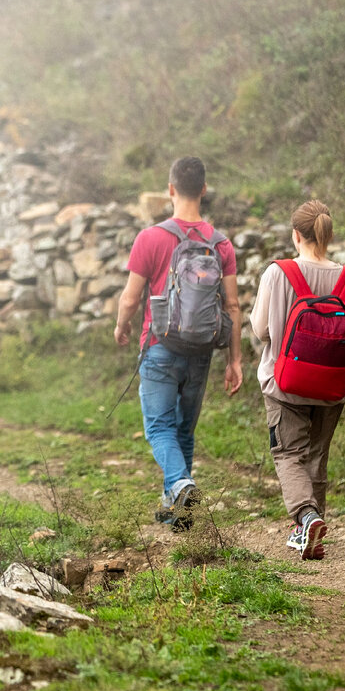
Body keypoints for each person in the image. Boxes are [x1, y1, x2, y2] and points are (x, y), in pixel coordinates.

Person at [114, 156, 243, 529]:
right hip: (201, 350)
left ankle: (182, 484)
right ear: (203, 190)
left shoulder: (151, 238)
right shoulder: (221, 245)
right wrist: (235, 360)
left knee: (159, 427)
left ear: (170, 189)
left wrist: (122, 327)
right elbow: (232, 306)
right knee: (183, 429)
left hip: (159, 346)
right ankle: (177, 512)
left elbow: (130, 298)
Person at [249, 200, 345, 560]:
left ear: (296, 235)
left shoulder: (278, 273)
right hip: (331, 386)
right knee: (317, 455)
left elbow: (260, 329)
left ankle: (306, 516)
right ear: (328, 235)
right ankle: (308, 533)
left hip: (285, 384)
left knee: (287, 453)